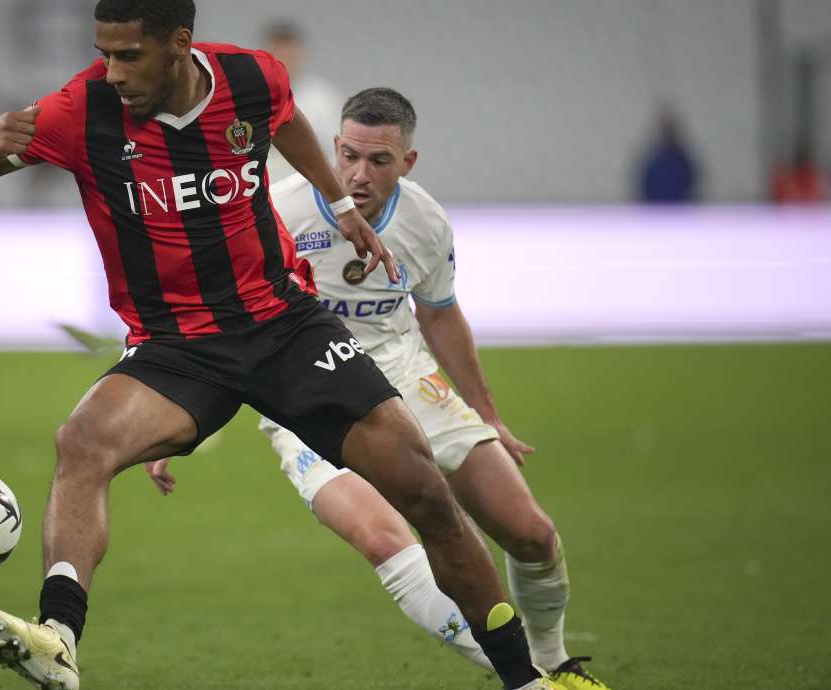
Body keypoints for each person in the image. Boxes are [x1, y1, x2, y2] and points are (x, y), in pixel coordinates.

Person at [0, 2, 552, 689]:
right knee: (82, 441)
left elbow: (285, 119)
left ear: (178, 45)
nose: (113, 71)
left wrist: (339, 205)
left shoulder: (251, 80)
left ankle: (526, 679)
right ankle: (57, 637)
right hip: (177, 348)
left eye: (128, 55)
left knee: (426, 494)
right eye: (104, 52)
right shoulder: (82, 109)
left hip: (285, 327)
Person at [148, 87, 612, 690]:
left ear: (408, 162)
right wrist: (170, 419)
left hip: (406, 376)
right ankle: (531, 680)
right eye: (347, 156)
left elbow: (440, 314)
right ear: (331, 148)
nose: (358, 175)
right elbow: (217, 319)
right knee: (381, 537)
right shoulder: (276, 213)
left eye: (379, 161)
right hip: (306, 392)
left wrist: (488, 413)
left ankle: (552, 659)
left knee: (531, 533)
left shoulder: (424, 220)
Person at [261, 20, 344, 183]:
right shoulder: (246, 96)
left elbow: (339, 151)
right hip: (260, 192)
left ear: (301, 55)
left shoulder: (323, 99)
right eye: (278, 53)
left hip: (307, 189)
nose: (284, 60)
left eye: (289, 54)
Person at [637, 109, 699, 203]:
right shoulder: (652, 160)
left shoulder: (683, 161)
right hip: (655, 210)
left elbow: (691, 185)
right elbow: (644, 186)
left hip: (680, 211)